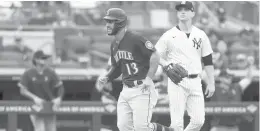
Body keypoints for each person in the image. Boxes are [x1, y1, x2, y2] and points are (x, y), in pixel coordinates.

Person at [97, 8, 172, 131]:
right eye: (107, 22)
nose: (107, 25)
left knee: (141, 127)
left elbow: (155, 55)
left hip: (142, 88)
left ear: (120, 23)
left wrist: (149, 78)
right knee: (123, 126)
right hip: (126, 89)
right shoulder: (114, 44)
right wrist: (108, 77)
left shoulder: (135, 38)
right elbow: (117, 67)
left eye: (111, 22)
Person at [155, 1, 215, 131]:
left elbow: (208, 60)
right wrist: (167, 64)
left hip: (196, 80)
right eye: (180, 9)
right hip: (177, 81)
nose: (182, 12)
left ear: (193, 13)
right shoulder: (168, 35)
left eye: (186, 9)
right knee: (176, 124)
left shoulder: (201, 34)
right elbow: (154, 55)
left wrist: (211, 82)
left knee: (199, 121)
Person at [17, 50, 64, 131]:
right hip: (36, 107)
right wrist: (34, 98)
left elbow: (60, 87)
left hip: (50, 106)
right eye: (43, 58)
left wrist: (58, 98)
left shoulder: (50, 72)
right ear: (36, 60)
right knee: (40, 129)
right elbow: (23, 90)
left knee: (51, 129)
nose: (45, 60)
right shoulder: (28, 73)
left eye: (45, 58)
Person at [210, 61, 254, 131]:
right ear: (221, 78)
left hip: (233, 127)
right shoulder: (215, 88)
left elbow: (249, 78)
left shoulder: (236, 87)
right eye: (227, 76)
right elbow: (204, 77)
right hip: (218, 127)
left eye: (230, 76)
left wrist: (250, 65)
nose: (229, 78)